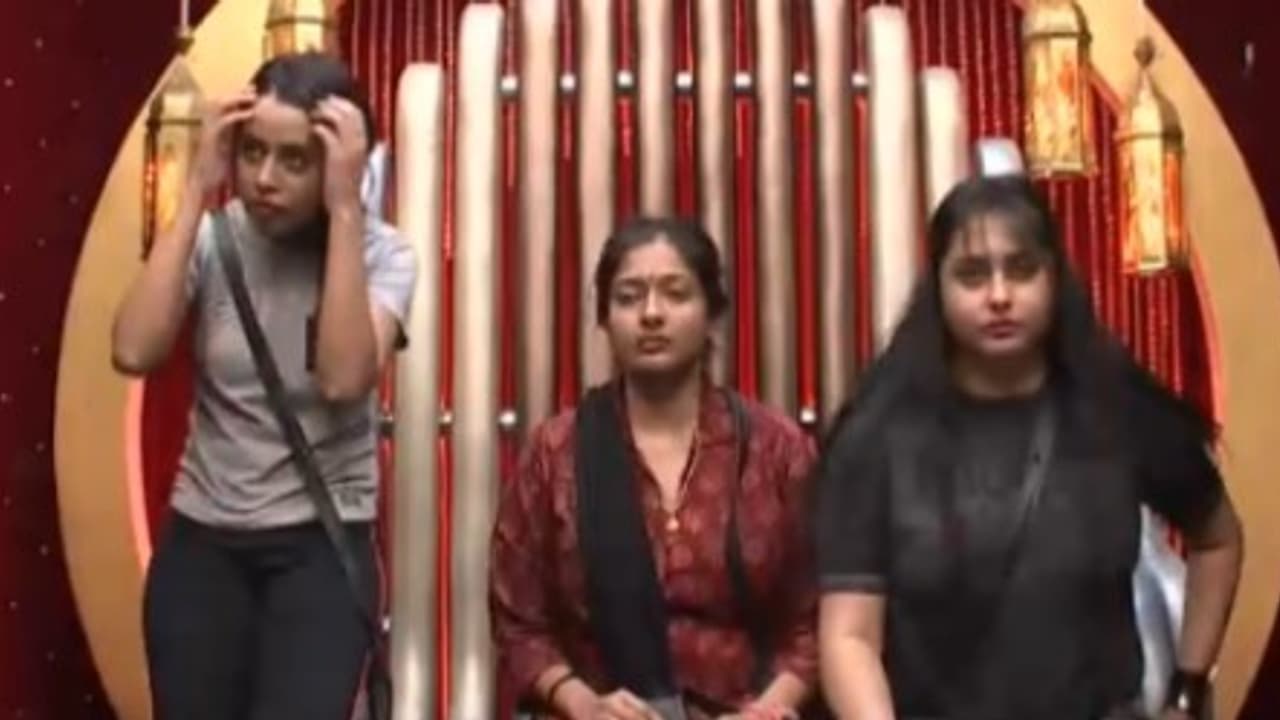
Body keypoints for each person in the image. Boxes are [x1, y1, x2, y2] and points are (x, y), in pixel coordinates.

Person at [814, 174, 1243, 720]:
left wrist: (1187, 692)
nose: (999, 296)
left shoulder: (1116, 406)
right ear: (937, 287)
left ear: (1054, 278)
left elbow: (1218, 540)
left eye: (1021, 270)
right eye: (972, 275)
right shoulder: (879, 434)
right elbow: (850, 635)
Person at [111, 52, 416, 719]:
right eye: (252, 153)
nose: (265, 179)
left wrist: (345, 211)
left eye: (294, 160)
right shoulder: (214, 239)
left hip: (318, 552)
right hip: (203, 547)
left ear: (337, 164)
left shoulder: (383, 254)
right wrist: (196, 193)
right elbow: (132, 349)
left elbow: (343, 376)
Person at [490, 217, 819, 720]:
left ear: (712, 314)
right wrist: (583, 704)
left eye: (675, 294)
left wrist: (769, 708)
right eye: (628, 297)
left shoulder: (777, 450)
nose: (651, 314)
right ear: (604, 320)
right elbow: (519, 621)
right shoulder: (555, 454)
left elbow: (816, 619)